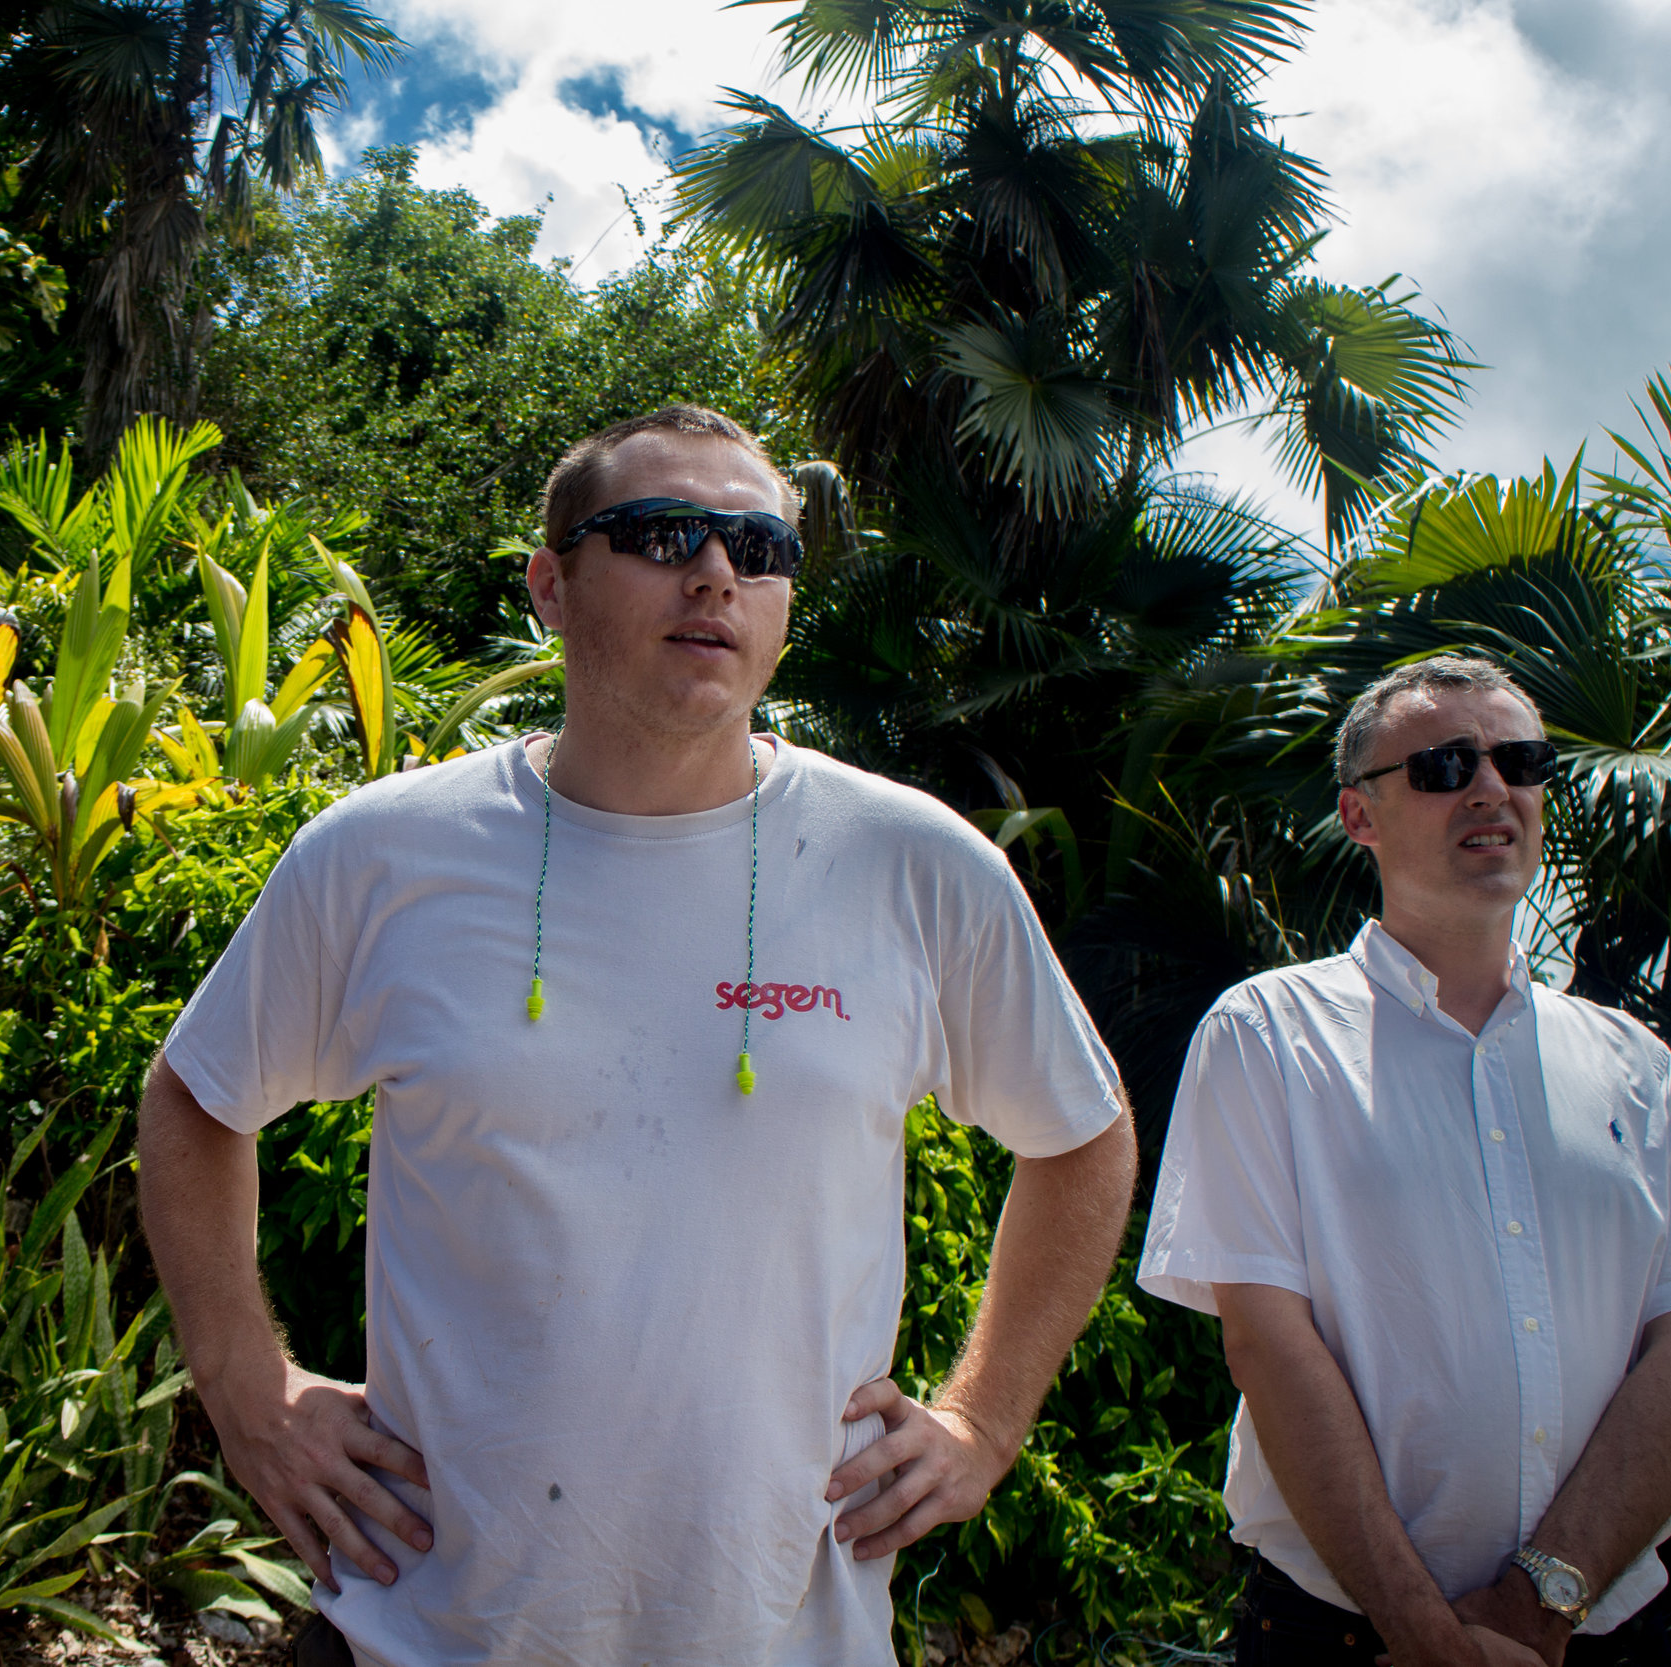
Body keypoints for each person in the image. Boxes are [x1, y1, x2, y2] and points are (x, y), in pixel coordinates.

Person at [139, 404, 1141, 1666]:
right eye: (664, 532)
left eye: (759, 545)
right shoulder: (386, 852)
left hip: (788, 1631)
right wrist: (244, 1382)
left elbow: (1085, 1135)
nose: (716, 570)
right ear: (549, 585)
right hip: (431, 1627)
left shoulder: (912, 862)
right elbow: (195, 1096)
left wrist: (985, 1420)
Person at [1138, 654, 1671, 1667]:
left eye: (1519, 760)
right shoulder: (1268, 1031)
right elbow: (1267, 1345)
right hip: (1343, 1635)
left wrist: (1539, 1600)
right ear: (1360, 815)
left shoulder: (1632, 1062)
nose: (1492, 787)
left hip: (1598, 1634)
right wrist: (1425, 1632)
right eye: (1443, 765)